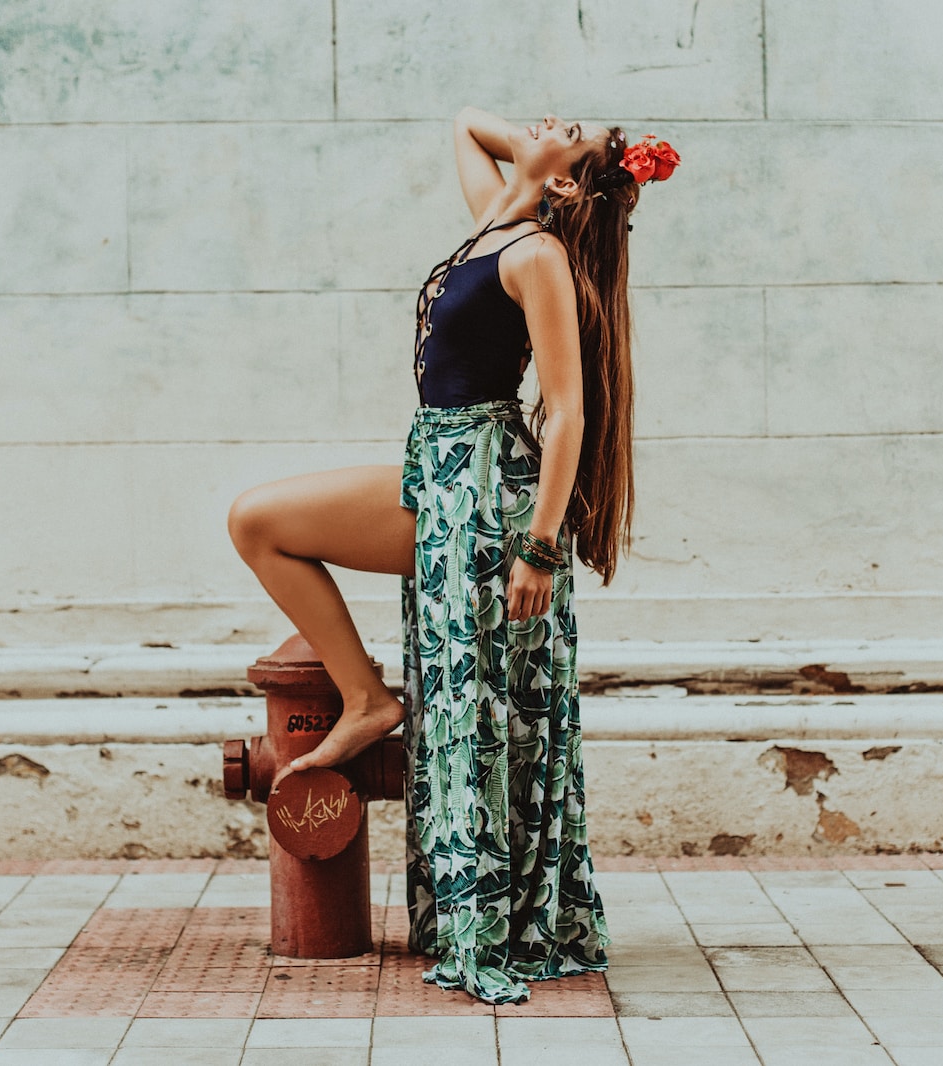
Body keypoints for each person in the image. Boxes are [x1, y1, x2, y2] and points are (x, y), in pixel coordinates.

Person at [227, 107, 677, 1003]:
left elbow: (569, 411)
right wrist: (553, 162)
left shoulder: (534, 254)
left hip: (482, 487)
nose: (548, 118)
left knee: (474, 697)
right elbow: (468, 125)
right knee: (258, 521)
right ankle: (367, 698)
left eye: (568, 128)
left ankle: (486, 917)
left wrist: (538, 550)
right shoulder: (495, 222)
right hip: (427, 465)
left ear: (560, 186)